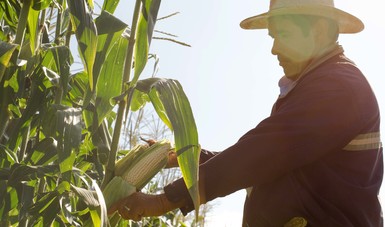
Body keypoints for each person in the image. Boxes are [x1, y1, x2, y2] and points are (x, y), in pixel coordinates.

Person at [108, 0, 383, 226]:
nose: (274, 48)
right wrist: (186, 158)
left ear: (320, 32)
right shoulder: (316, 86)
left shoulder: (339, 87)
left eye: (283, 35)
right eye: (273, 37)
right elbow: (268, 160)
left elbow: (261, 154)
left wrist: (164, 200)